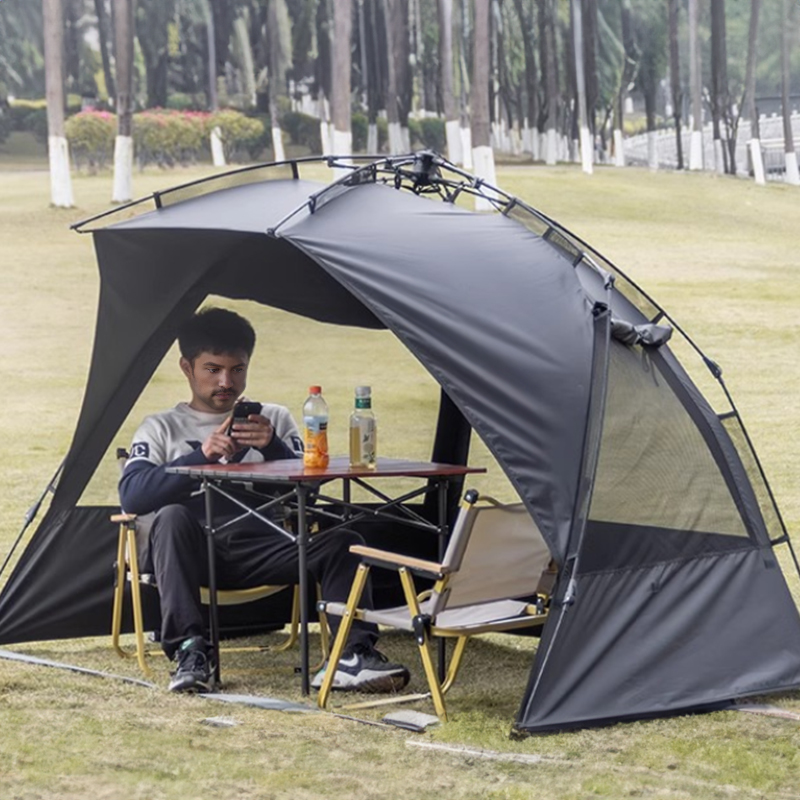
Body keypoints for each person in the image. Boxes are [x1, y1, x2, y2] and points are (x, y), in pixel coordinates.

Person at [119, 307, 409, 694]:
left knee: (344, 540)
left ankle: (352, 655)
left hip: (266, 548)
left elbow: (310, 492)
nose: (226, 382)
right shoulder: (161, 427)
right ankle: (191, 653)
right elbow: (132, 495)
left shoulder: (274, 418)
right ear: (187, 367)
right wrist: (200, 457)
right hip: (193, 554)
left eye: (237, 369)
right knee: (171, 516)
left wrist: (273, 448)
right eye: (212, 369)